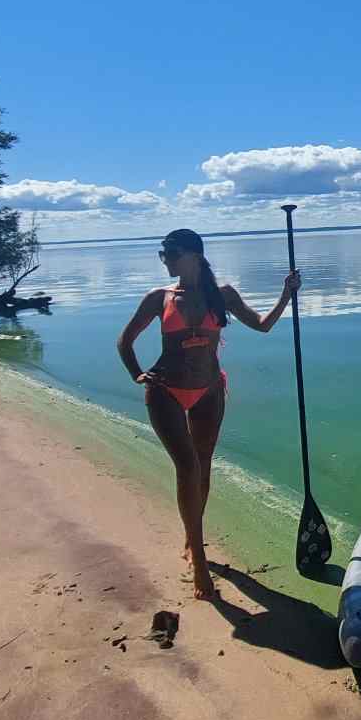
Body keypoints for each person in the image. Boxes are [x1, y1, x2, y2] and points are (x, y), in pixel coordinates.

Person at [116, 227, 300, 600]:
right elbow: (125, 340)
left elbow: (262, 326)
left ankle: (191, 537)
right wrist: (137, 373)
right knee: (188, 467)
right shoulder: (159, 297)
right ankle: (199, 559)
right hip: (166, 390)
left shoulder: (223, 294)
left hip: (210, 390)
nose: (164, 259)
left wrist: (285, 295)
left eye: (169, 252)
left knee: (203, 464)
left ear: (192, 255)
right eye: (162, 253)